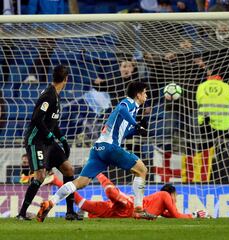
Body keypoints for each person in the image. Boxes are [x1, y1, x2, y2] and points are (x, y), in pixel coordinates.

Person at [37, 81, 156, 222]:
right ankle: (138, 210)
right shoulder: (128, 103)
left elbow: (122, 133)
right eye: (145, 92)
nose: (147, 96)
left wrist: (136, 130)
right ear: (138, 94)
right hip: (110, 147)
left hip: (98, 149)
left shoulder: (132, 110)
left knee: (81, 182)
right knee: (142, 170)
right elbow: (121, 110)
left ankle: (50, 202)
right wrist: (136, 124)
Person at [16, 65, 80, 221]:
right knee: (40, 176)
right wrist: (50, 135)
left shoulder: (56, 95)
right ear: (66, 79)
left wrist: (62, 138)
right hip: (36, 140)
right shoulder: (48, 95)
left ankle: (70, 212)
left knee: (68, 169)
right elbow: (37, 119)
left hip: (48, 140)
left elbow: (52, 122)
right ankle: (22, 213)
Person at [50, 173, 208, 219]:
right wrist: (195, 215)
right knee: (111, 192)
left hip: (121, 214)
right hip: (131, 206)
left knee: (85, 205)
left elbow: (171, 215)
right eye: (175, 196)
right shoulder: (165, 195)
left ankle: (55, 180)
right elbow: (176, 215)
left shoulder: (162, 205)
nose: (175, 199)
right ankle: (98, 173)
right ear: (171, 193)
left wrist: (193, 215)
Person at [196, 75, 229, 149]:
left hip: (206, 121)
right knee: (222, 148)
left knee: (205, 147)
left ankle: (203, 158)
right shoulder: (226, 86)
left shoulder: (201, 86)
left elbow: (198, 101)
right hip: (223, 122)